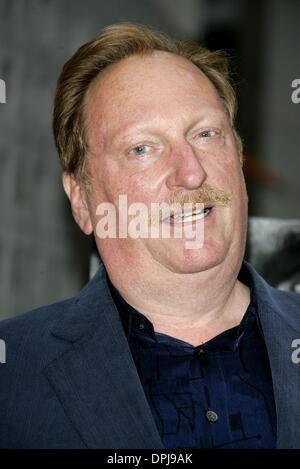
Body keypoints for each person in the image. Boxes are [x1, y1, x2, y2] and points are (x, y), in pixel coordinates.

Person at [0, 23, 300, 450]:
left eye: (205, 134)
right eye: (142, 148)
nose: (191, 172)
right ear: (83, 200)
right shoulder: (11, 375)